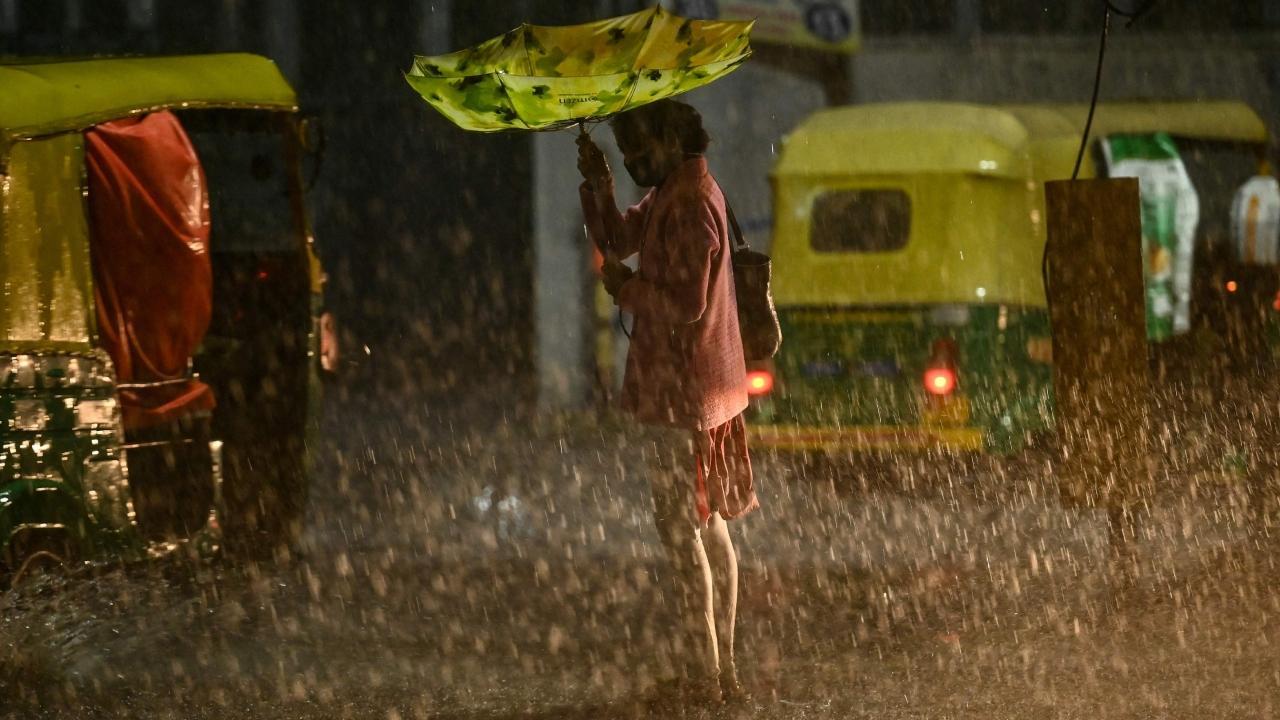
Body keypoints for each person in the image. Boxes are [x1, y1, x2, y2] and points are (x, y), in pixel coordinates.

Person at [576, 99, 760, 704]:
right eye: (624, 155)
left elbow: (684, 304)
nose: (632, 163)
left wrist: (627, 290)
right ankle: (719, 674)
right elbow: (618, 237)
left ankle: (705, 678)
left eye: (637, 151)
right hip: (703, 390)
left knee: (683, 536)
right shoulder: (677, 190)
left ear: (672, 138)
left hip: (684, 395)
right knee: (707, 532)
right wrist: (597, 181)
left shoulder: (685, 206)